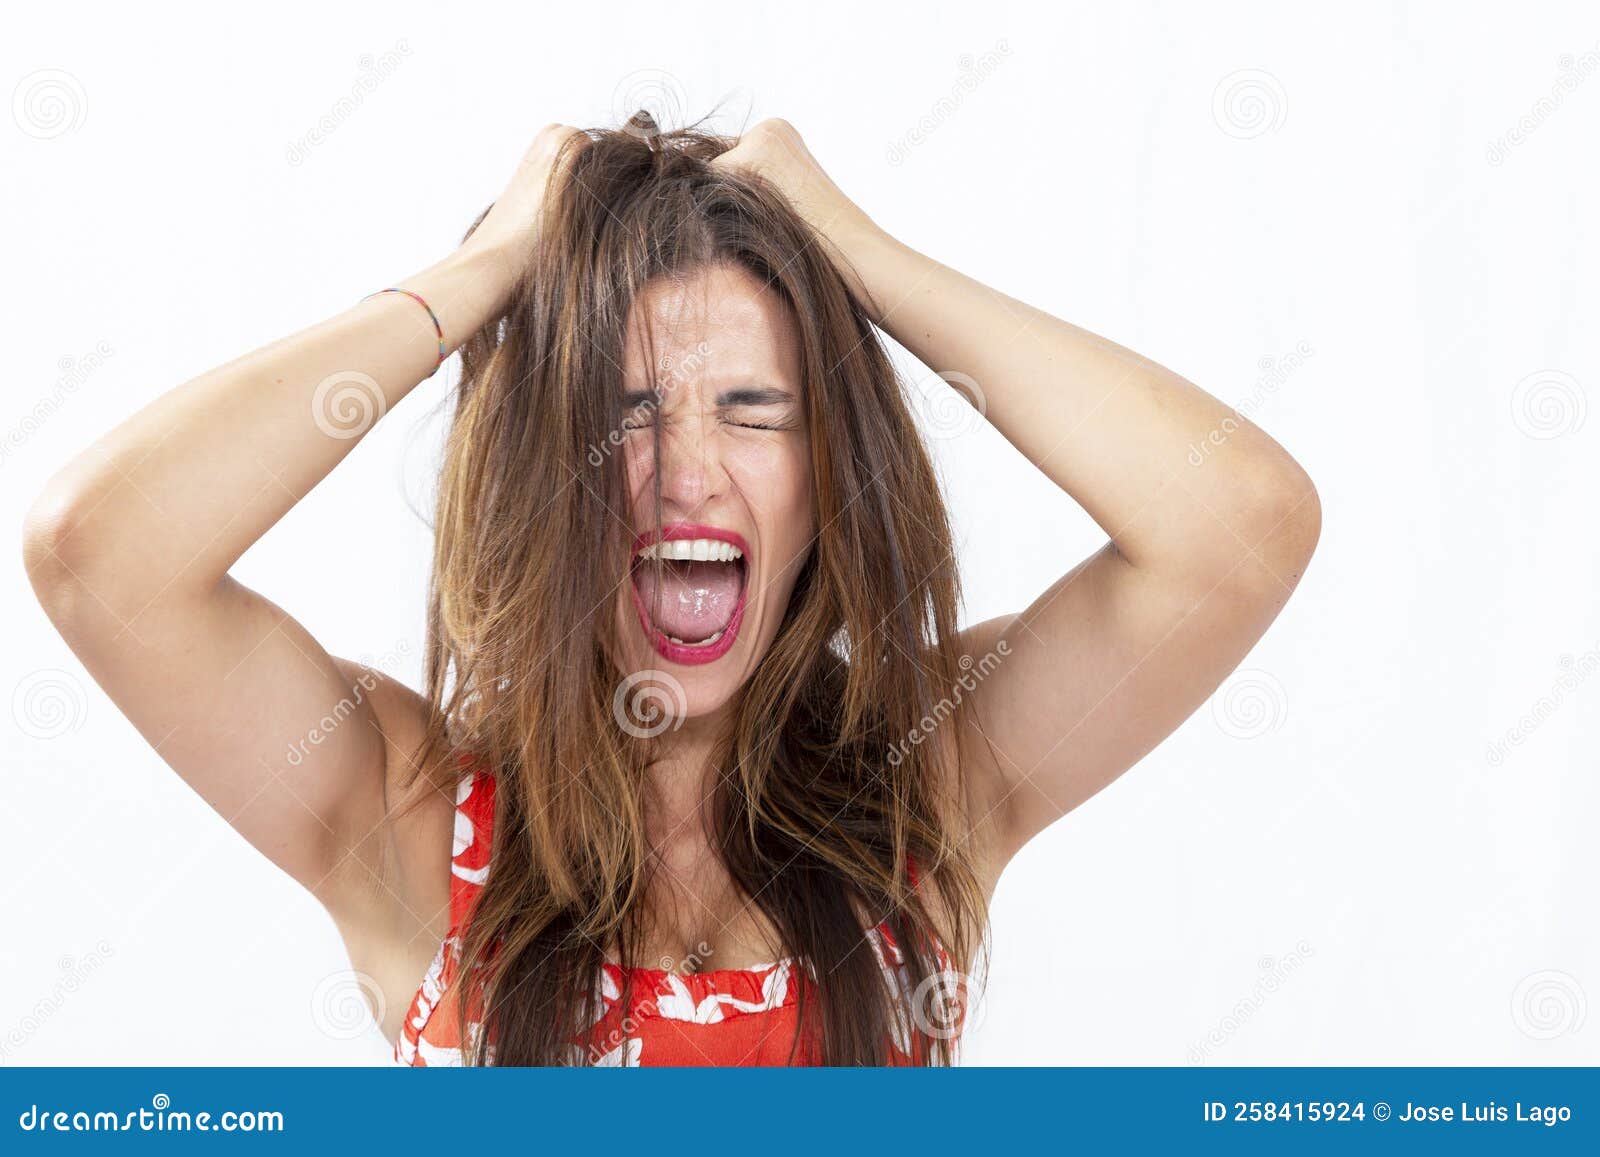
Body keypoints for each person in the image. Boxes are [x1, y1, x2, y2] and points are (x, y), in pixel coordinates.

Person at [22, 113, 1320, 1065]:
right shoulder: (404, 813)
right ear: (548, 470)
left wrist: (858, 257)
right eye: (624, 412)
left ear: (828, 477)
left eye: (756, 411)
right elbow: (96, 547)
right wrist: (490, 274)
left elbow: (1239, 522)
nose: (687, 474)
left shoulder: (932, 779)